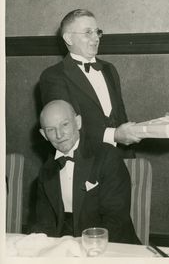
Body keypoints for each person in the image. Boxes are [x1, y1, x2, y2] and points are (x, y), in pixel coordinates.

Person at [31, 100, 141, 244]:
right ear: (44, 134)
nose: (59, 135)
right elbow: (44, 224)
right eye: (51, 130)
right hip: (67, 248)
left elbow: (116, 220)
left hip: (113, 246)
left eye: (65, 124)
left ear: (78, 122)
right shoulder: (46, 171)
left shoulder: (107, 156)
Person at [39, 9, 141, 158]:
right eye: (88, 32)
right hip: (84, 163)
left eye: (97, 32)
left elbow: (120, 117)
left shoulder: (109, 69)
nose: (96, 38)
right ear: (68, 38)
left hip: (120, 159)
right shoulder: (53, 76)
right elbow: (65, 129)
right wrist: (114, 135)